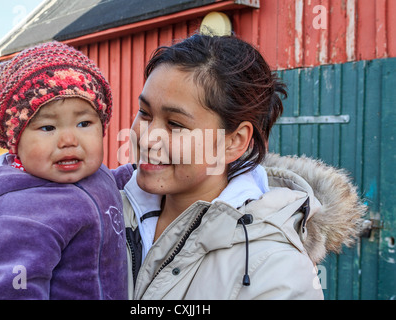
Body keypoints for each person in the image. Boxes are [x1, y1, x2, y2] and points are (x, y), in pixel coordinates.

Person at [119, 34, 366, 299]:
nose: (145, 138)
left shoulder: (278, 274)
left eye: (175, 124)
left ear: (234, 142)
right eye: (144, 113)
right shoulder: (98, 208)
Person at [0, 42, 128, 300]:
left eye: (84, 123)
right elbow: (9, 292)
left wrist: (137, 172)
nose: (69, 140)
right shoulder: (18, 216)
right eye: (47, 128)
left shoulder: (88, 174)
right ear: (16, 140)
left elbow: (105, 182)